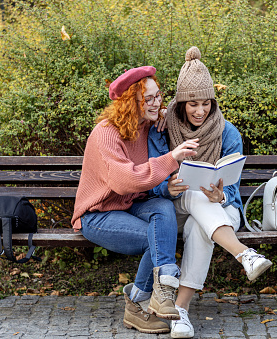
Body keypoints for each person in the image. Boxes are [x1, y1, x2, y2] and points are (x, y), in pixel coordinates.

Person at [148, 47, 273, 338]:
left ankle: (180, 313)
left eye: (206, 103)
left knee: (198, 223)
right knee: (193, 197)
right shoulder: (163, 130)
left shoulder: (228, 132)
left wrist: (223, 195)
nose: (200, 110)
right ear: (180, 103)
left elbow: (231, 181)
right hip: (177, 204)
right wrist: (166, 187)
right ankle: (244, 255)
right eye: (192, 103)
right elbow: (151, 177)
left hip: (222, 209)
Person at [71, 66, 199, 334]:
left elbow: (180, 111)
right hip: (98, 214)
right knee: (159, 237)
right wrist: (171, 158)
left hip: (130, 205)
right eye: (149, 99)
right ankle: (140, 301)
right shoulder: (106, 133)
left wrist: (165, 115)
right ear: (132, 103)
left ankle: (150, 297)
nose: (157, 103)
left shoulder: (147, 124)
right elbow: (124, 181)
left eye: (158, 96)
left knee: (163, 209)